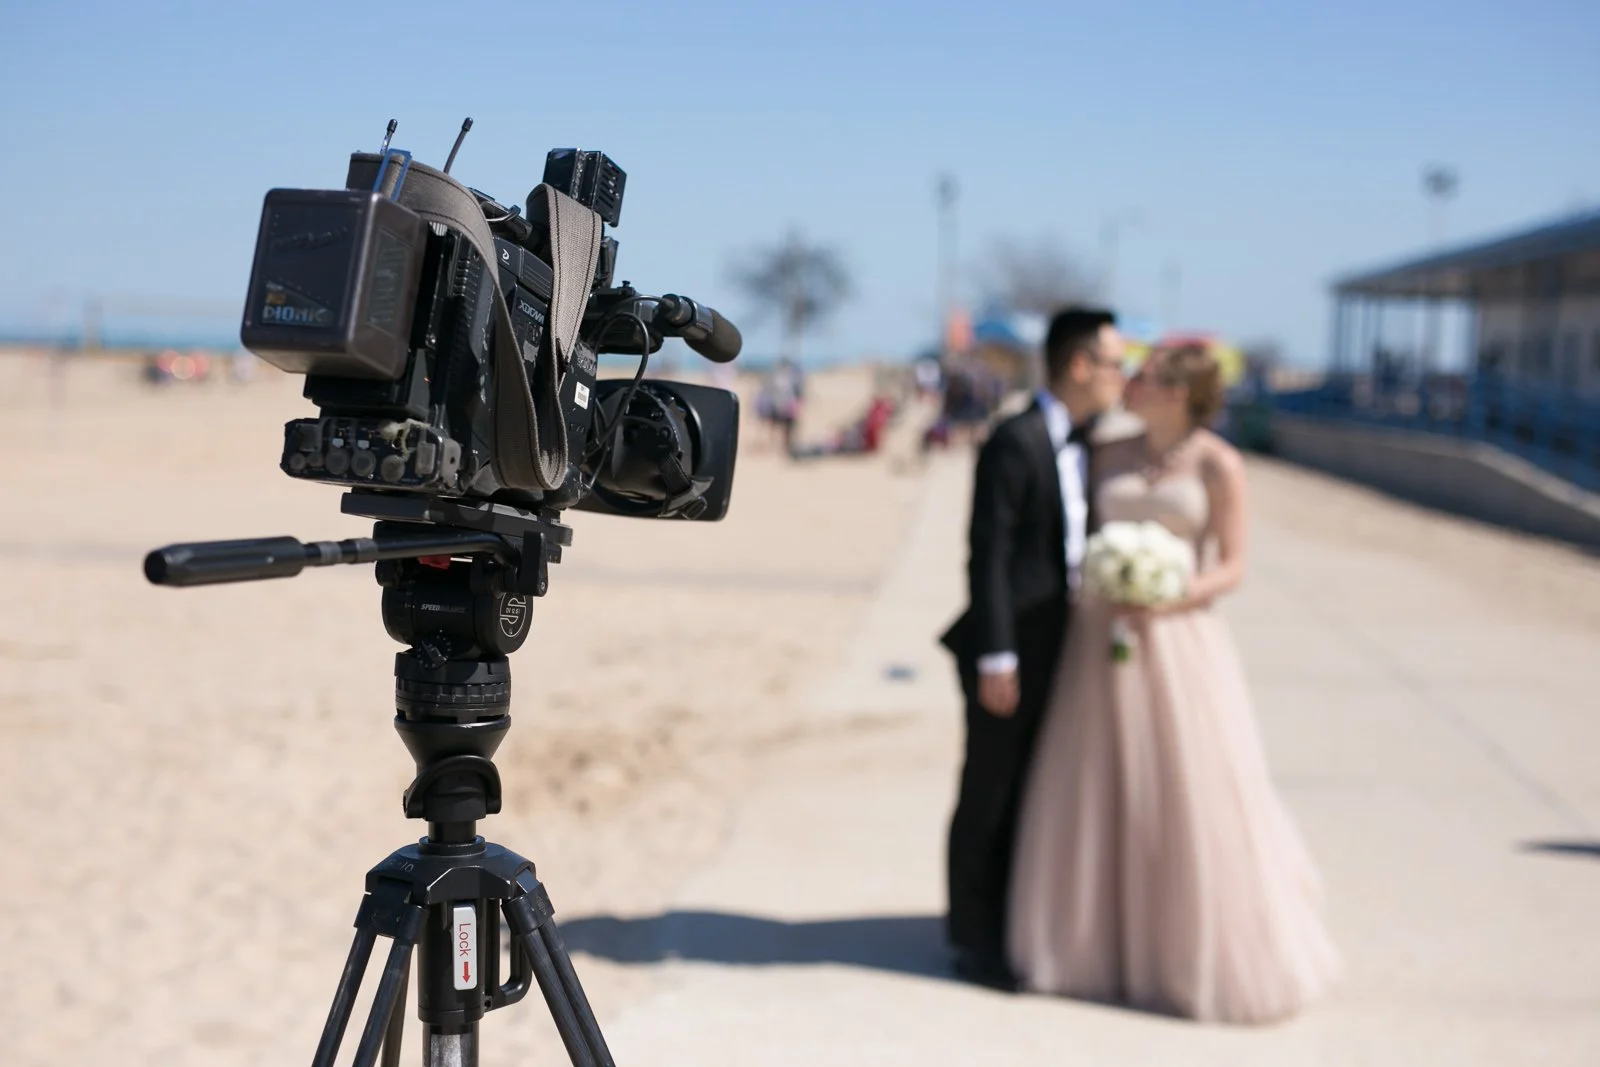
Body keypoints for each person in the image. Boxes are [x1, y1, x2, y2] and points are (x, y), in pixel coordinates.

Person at [1007, 343, 1341, 1023]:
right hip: (1099, 640)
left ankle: (1189, 952)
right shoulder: (1106, 451)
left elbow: (1234, 566)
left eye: (1147, 376)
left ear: (1182, 392)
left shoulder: (1220, 463)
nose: (1130, 382)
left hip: (1178, 642)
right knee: (1098, 790)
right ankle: (1094, 947)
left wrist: (1170, 592)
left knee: (1191, 790)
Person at [938, 307, 1142, 990]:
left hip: (1064, 648)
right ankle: (974, 938)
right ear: (1080, 365)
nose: (1122, 377)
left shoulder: (1092, 442)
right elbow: (987, 555)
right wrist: (997, 656)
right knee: (990, 793)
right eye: (1115, 363)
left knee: (1034, 790)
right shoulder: (1015, 439)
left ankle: (1017, 923)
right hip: (1009, 650)